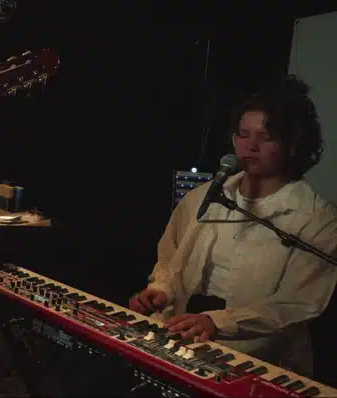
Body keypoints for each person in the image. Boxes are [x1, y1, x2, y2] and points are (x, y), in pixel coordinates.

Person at [128, 76, 336, 377]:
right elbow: (169, 259)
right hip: (181, 342)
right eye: (243, 134)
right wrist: (159, 291)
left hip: (257, 360)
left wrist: (217, 322)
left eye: (266, 137)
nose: (250, 146)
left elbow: (296, 304)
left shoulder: (318, 218)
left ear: (293, 144)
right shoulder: (204, 197)